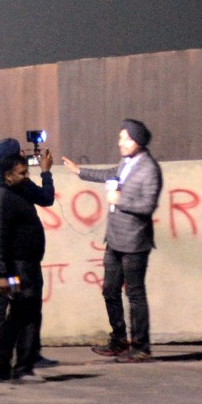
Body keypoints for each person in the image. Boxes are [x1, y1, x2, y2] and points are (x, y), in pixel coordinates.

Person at [63, 118, 162, 361]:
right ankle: (119, 339)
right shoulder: (126, 162)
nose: (121, 142)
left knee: (135, 294)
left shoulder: (149, 169)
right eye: (121, 137)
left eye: (125, 138)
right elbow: (111, 174)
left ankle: (141, 346)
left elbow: (148, 205)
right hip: (115, 239)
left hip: (134, 241)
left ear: (137, 141)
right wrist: (80, 172)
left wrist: (120, 201)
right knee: (109, 290)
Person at [0, 137, 57, 370]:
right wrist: (45, 173)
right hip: (13, 262)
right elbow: (46, 198)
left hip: (7, 259)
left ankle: (6, 357)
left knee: (10, 307)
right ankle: (15, 358)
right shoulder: (14, 188)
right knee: (21, 307)